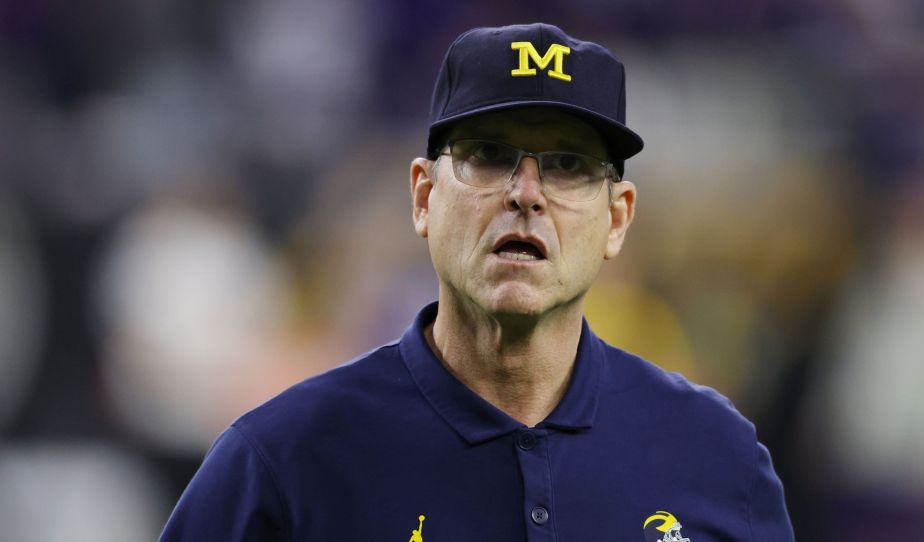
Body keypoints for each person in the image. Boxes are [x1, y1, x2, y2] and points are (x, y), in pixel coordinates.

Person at [159, 22, 793, 541]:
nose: (526, 194)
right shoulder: (283, 461)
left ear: (617, 218)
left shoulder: (716, 457)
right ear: (424, 198)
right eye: (488, 155)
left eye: (567, 165)